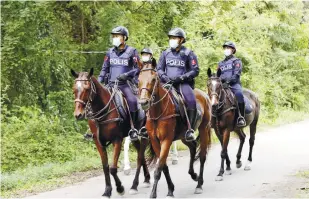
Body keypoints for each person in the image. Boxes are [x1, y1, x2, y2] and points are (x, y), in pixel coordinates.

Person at [98, 25, 142, 141]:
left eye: (117, 36)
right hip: (111, 84)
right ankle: (94, 130)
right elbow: (104, 68)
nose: (115, 38)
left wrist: (127, 75)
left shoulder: (132, 51)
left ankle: (133, 128)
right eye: (114, 36)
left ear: (124, 38)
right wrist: (99, 80)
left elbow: (138, 68)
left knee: (132, 101)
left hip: (125, 84)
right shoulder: (110, 52)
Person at [156, 27, 199, 142]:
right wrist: (165, 77)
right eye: (171, 38)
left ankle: (190, 129)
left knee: (191, 101)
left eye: (175, 38)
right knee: (151, 98)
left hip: (182, 84)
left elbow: (195, 70)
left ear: (181, 40)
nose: (172, 40)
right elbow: (159, 69)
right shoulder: (165, 53)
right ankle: (146, 127)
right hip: (166, 83)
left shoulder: (189, 53)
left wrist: (182, 77)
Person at [217, 41, 246, 127]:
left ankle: (241, 117)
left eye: (228, 48)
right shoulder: (220, 63)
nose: (226, 50)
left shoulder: (237, 61)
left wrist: (228, 82)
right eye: (225, 48)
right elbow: (218, 75)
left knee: (239, 95)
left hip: (234, 84)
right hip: (222, 85)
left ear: (233, 50)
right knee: (213, 96)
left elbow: (236, 74)